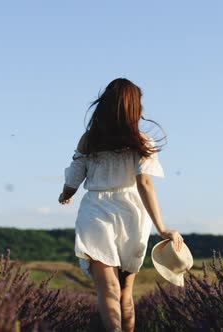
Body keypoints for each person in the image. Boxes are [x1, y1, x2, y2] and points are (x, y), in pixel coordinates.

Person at [58, 78, 184, 332]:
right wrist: (162, 227)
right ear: (134, 108)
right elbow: (145, 184)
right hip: (132, 212)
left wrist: (66, 193)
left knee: (111, 288)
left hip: (97, 210)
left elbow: (76, 173)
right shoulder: (142, 142)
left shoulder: (89, 139)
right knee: (124, 290)